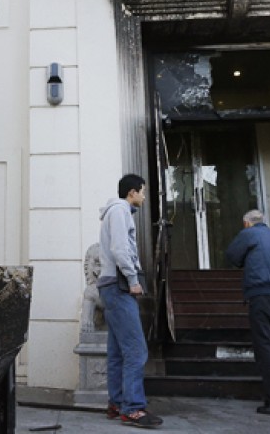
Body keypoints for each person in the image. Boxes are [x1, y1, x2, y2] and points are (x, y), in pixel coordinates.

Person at [96, 173, 164, 428]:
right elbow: (120, 249)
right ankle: (133, 408)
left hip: (110, 286)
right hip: (118, 286)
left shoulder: (116, 212)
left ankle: (117, 403)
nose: (144, 197)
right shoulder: (120, 211)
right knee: (136, 349)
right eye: (143, 192)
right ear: (132, 193)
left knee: (117, 351)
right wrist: (133, 279)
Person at [225, 209, 270, 416]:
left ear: (246, 223)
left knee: (265, 348)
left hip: (261, 296)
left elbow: (232, 256)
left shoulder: (249, 234)